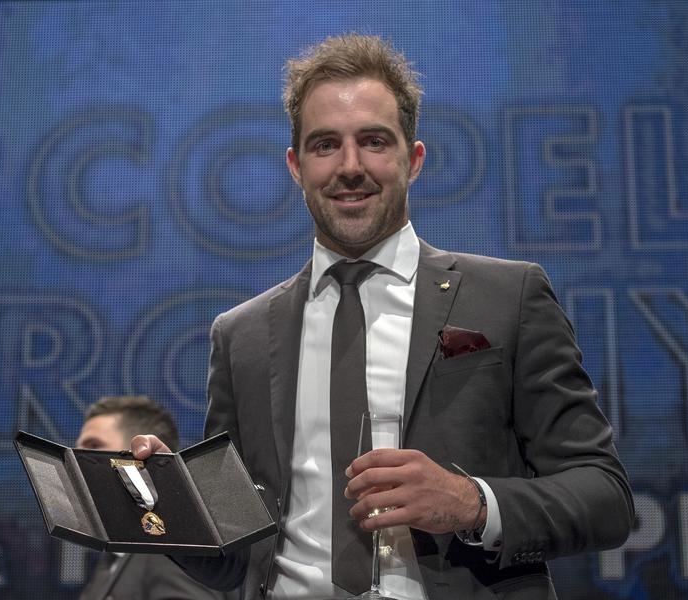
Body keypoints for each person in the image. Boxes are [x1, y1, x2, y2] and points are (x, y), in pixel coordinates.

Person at [132, 34, 634, 599]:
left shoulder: (507, 297)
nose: (350, 167)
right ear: (296, 166)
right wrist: (171, 510)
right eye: (325, 145)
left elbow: (605, 496)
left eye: (373, 141)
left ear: (413, 159)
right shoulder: (241, 335)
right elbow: (238, 561)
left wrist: (472, 501)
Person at [76, 395, 238, 600]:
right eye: (77, 449)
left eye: (93, 446)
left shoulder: (172, 552)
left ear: (139, 454)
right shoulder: (114, 557)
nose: (77, 458)